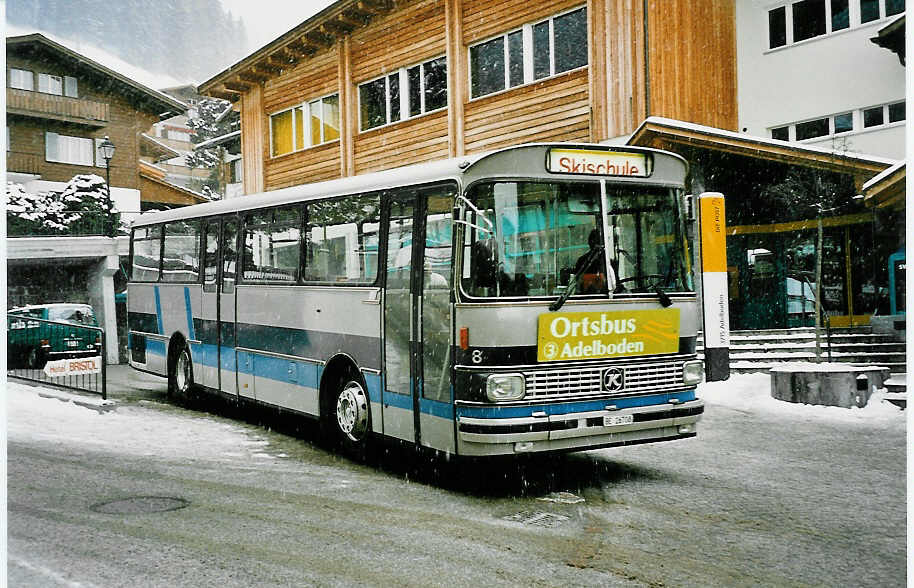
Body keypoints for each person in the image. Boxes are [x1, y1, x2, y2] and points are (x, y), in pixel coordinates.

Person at [573, 228, 607, 294]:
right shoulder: (582, 261)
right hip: (586, 297)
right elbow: (577, 284)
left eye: (598, 241)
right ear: (589, 242)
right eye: (592, 240)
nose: (595, 244)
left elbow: (615, 285)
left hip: (605, 297)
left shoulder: (608, 262)